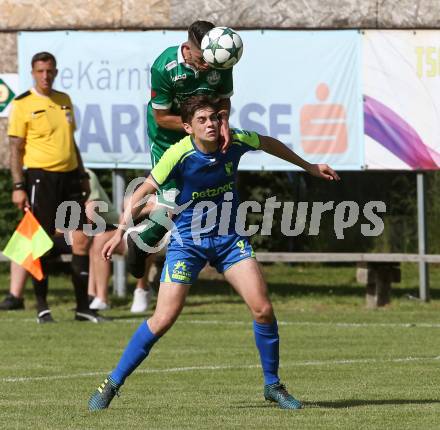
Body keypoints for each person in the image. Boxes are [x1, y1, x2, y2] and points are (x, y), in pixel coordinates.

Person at [88, 95, 340, 411]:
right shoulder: (178, 154)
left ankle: (273, 385)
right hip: (187, 244)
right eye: (202, 120)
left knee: (262, 309)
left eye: (214, 118)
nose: (211, 125)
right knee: (163, 318)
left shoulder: (234, 141)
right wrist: (122, 230)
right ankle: (111, 384)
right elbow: (141, 192)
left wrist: (310, 166)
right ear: (187, 127)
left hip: (229, 240)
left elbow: (269, 143)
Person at [127, 20, 234, 279]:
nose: (207, 66)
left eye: (211, 60)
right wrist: (197, 128)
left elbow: (223, 101)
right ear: (188, 47)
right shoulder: (165, 66)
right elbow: (162, 117)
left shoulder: (220, 59)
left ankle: (146, 234)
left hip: (200, 132)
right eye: (201, 59)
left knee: (199, 193)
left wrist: (224, 122)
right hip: (166, 137)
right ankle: (139, 242)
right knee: (174, 197)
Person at [8, 51, 102, 323]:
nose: (45, 76)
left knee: (82, 238)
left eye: (49, 71)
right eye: (40, 71)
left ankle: (83, 307)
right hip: (40, 178)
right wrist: (18, 185)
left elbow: (70, 143)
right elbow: (15, 147)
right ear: (33, 73)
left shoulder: (64, 100)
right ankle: (41, 306)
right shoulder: (23, 103)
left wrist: (82, 174)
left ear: (56, 72)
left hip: (70, 176)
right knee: (40, 243)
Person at [85, 168, 153, 312]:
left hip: (171, 233)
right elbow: (127, 209)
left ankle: (142, 290)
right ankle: (102, 298)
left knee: (147, 238)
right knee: (100, 239)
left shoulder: (176, 177)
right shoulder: (147, 180)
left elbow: (169, 208)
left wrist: (145, 207)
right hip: (135, 230)